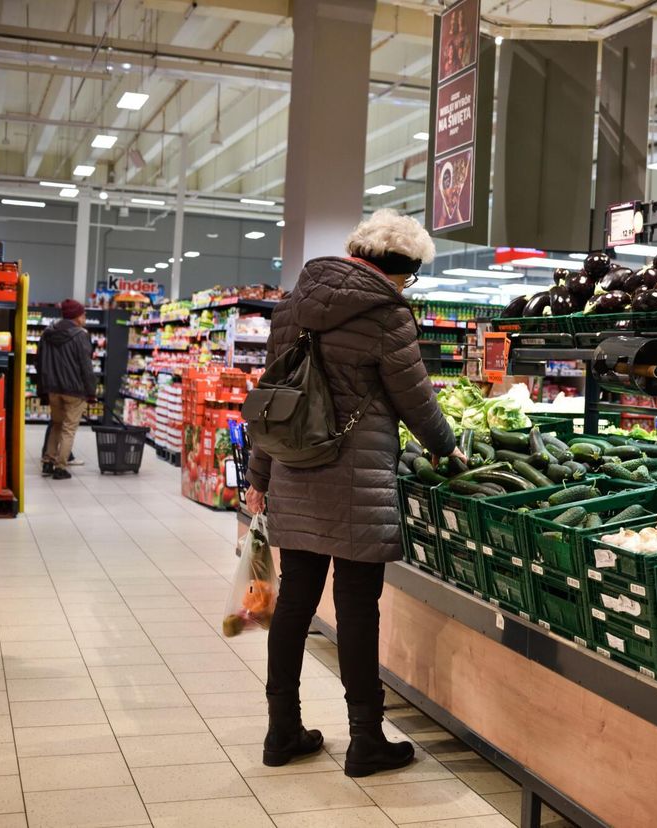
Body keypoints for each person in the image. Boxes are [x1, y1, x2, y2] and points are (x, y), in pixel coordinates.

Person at [246, 209, 464, 776]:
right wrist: (447, 446)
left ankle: (281, 732)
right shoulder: (387, 314)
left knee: (294, 604)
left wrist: (259, 478)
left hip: (296, 471)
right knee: (357, 609)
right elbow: (416, 399)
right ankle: (365, 739)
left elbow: (273, 401)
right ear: (399, 269)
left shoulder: (293, 304)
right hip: (357, 480)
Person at [37, 299, 97, 480]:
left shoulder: (47, 333)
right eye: (83, 313)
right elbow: (86, 367)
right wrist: (91, 391)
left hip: (53, 388)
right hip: (74, 390)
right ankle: (60, 467)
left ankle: (48, 461)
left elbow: (39, 362)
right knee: (69, 428)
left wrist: (43, 387)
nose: (85, 317)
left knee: (56, 425)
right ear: (76, 316)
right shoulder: (81, 335)